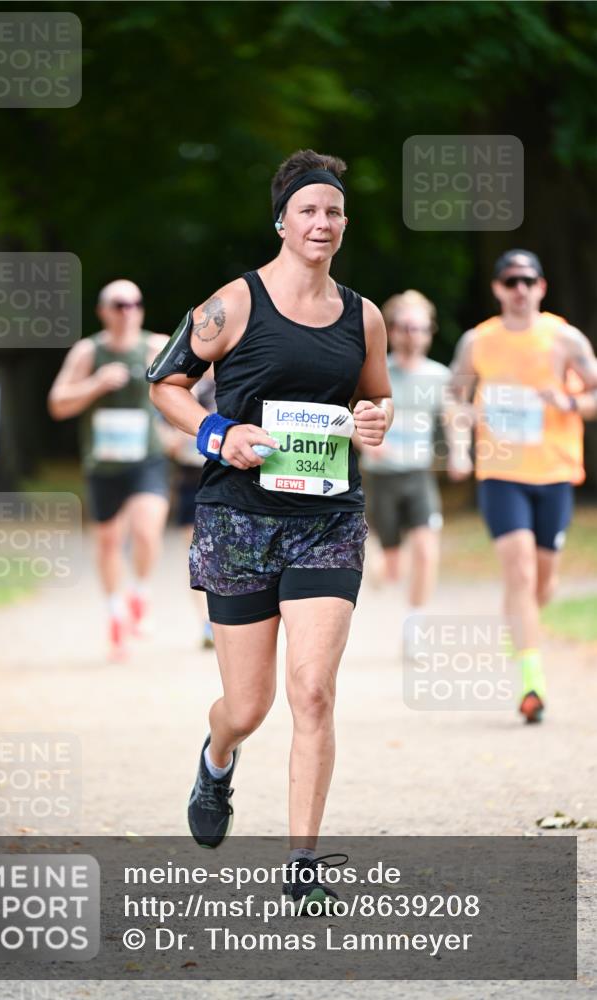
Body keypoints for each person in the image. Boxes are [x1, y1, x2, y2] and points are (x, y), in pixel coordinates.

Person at [148, 150, 393, 912]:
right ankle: (218, 758)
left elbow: (375, 402)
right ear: (282, 220)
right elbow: (165, 381)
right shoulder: (236, 303)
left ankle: (302, 860)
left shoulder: (364, 316)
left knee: (312, 691)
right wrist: (219, 433)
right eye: (308, 210)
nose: (322, 223)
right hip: (238, 520)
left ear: (344, 225)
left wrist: (374, 420)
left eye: (333, 212)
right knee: (248, 706)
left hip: (326, 519)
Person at [450, 249, 597, 723]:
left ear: (541, 287)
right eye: (510, 281)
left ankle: (520, 626)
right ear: (497, 288)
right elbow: (454, 398)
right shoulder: (478, 341)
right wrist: (460, 436)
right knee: (517, 572)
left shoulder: (563, 337)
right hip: (500, 470)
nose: (519, 289)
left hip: (553, 471)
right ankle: (532, 682)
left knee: (542, 581)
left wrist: (571, 401)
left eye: (528, 281)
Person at [48, 280, 170, 660]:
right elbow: (58, 403)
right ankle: (116, 613)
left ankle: (141, 592)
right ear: (103, 311)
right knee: (108, 542)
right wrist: (96, 385)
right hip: (103, 463)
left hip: (146, 458)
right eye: (119, 304)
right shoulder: (89, 351)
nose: (127, 311)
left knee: (148, 532)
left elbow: (197, 384)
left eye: (135, 303)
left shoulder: (155, 346)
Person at [359, 290, 464, 647]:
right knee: (389, 569)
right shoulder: (375, 369)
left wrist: (460, 454)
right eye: (404, 327)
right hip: (380, 476)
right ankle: (378, 558)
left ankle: (416, 623)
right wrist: (367, 441)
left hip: (417, 475)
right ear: (392, 329)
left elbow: (452, 419)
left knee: (425, 546)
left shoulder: (439, 376)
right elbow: (351, 415)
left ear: (429, 332)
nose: (412, 335)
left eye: (419, 328)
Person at [160, 373, 217, 649]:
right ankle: (206, 621)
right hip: (190, 477)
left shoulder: (240, 379)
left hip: (231, 478)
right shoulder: (183, 386)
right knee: (197, 554)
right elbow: (162, 428)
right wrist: (170, 438)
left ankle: (225, 621)